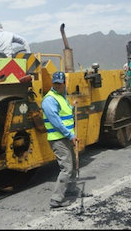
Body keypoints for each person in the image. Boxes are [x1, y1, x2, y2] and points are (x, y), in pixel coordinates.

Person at [41, 71, 78, 208]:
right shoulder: (49, 100)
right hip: (58, 139)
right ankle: (56, 199)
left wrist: (73, 106)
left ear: (64, 83)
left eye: (60, 83)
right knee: (67, 168)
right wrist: (70, 135)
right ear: (53, 83)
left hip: (66, 137)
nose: (57, 86)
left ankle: (71, 190)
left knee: (73, 164)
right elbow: (56, 122)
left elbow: (66, 113)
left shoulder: (61, 97)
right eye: (55, 83)